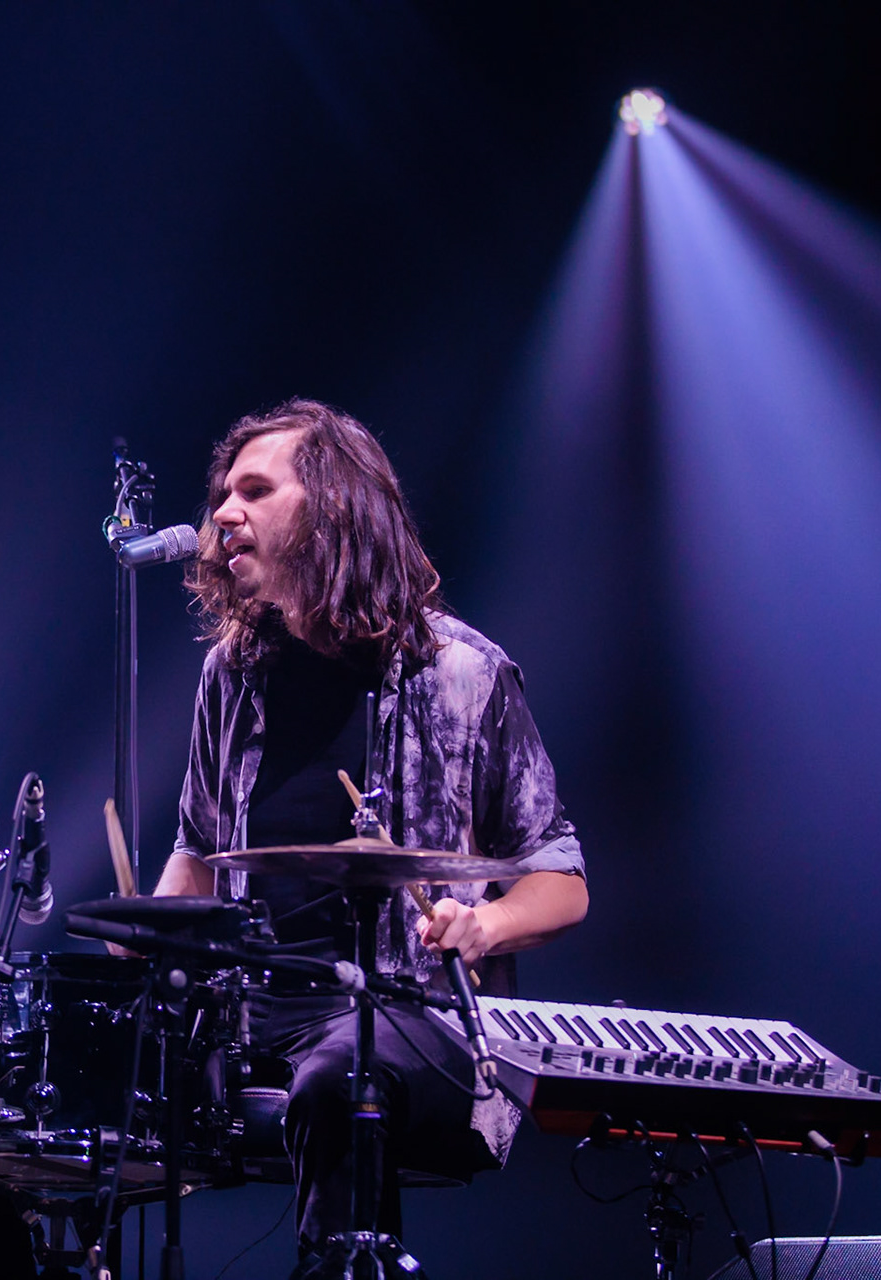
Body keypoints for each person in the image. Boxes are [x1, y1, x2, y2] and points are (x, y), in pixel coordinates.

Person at [151, 398, 588, 1273]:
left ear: (332, 509)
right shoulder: (231, 675)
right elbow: (196, 854)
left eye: (254, 491)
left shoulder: (462, 673)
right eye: (221, 495)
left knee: (340, 1077)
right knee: (40, 1094)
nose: (223, 515)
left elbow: (563, 880)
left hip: (417, 1016)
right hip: (251, 1011)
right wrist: (142, 948)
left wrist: (485, 925)